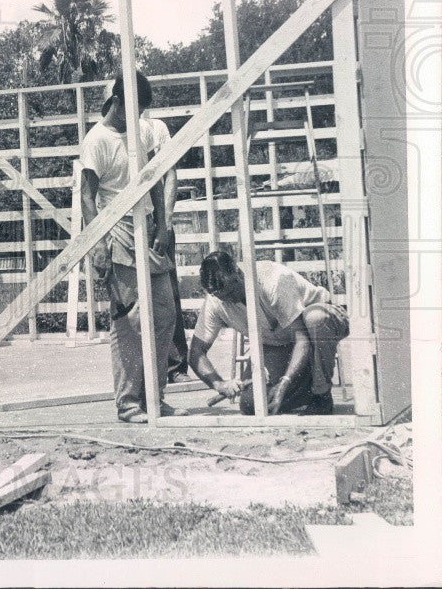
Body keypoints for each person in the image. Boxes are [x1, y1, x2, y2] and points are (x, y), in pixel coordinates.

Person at [80, 72, 186, 423]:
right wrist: (96, 244)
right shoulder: (97, 139)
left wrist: (163, 223)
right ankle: (128, 402)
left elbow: (154, 178)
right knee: (129, 319)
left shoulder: (142, 131)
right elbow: (87, 195)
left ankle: (154, 396)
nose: (136, 115)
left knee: (165, 313)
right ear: (117, 101)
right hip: (117, 230)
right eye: (132, 108)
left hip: (148, 225)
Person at [189, 250, 349, 415]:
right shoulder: (215, 301)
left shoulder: (273, 279)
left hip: (319, 327)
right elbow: (196, 352)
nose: (231, 299)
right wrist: (218, 384)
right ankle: (308, 382)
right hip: (279, 343)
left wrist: (285, 381)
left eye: (232, 290)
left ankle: (321, 395)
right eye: (224, 297)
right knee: (251, 404)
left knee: (315, 318)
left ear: (238, 272)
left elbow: (302, 338)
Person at [142, 113, 191, 383]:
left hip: (155, 220)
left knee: (167, 294)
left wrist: (166, 220)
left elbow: (170, 172)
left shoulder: (156, 128)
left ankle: (175, 365)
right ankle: (144, 372)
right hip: (128, 222)